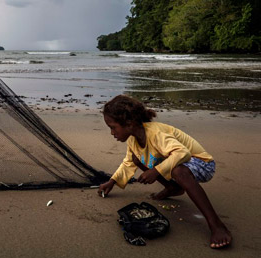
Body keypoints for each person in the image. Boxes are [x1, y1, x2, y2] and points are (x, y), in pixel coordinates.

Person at [98, 95, 232, 249]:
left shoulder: (155, 133)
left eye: (113, 127)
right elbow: (128, 163)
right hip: (179, 163)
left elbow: (182, 153)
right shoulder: (133, 140)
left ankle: (217, 225)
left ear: (129, 123)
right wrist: (112, 182)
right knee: (136, 159)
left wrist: (156, 171)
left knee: (178, 171)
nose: (112, 133)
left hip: (202, 163)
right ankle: (172, 188)